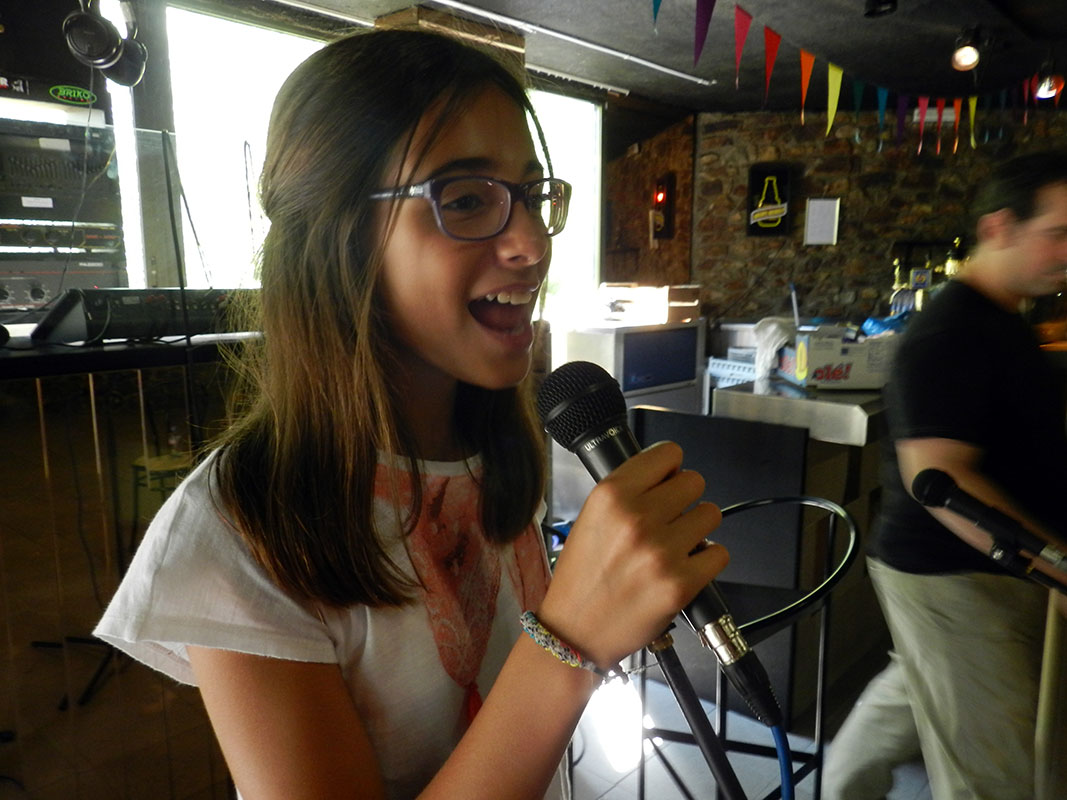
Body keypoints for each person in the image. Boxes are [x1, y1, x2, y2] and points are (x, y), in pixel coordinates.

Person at [93, 27, 728, 800]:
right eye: (466, 200)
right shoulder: (238, 532)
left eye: (531, 196)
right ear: (336, 236)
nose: (530, 243)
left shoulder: (494, 452)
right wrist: (571, 642)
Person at [824, 150, 1067, 800]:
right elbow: (941, 484)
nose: (1066, 252)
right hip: (956, 576)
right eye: (1057, 233)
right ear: (998, 227)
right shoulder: (951, 333)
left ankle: (837, 789)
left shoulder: (1003, 320)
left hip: (963, 573)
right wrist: (1053, 564)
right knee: (996, 774)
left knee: (919, 690)